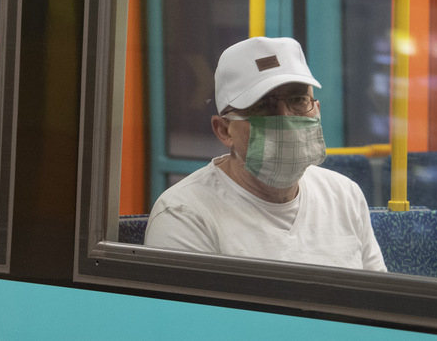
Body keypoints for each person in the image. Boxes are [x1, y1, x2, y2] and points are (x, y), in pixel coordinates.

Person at [144, 36, 386, 271]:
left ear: (317, 109)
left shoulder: (344, 195)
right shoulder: (184, 215)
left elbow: (376, 304)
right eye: (263, 106)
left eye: (299, 99)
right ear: (224, 130)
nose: (286, 118)